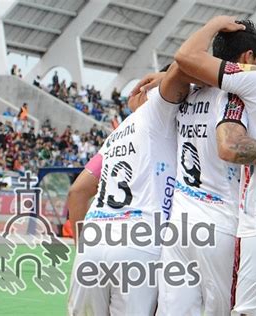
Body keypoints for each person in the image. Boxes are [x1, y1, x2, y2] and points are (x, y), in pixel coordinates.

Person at [153, 21, 256, 316]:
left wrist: (213, 26)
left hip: (180, 223)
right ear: (247, 58)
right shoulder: (241, 95)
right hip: (222, 225)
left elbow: (182, 63)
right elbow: (231, 146)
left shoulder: (186, 93)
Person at [68, 64, 192, 315]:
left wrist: (83, 248)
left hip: (92, 241)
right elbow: (185, 64)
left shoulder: (118, 133)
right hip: (139, 243)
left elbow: (78, 191)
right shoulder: (163, 115)